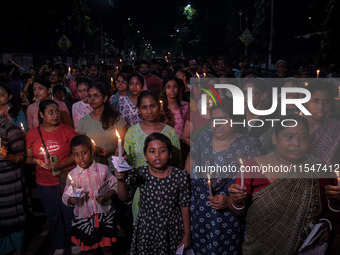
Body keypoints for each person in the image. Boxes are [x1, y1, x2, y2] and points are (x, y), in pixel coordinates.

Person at [229, 114, 332, 255]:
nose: (296, 143)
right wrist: (237, 201)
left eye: (303, 138)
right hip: (258, 248)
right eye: (289, 137)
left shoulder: (318, 169)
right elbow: (239, 211)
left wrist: (327, 224)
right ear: (274, 138)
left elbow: (331, 211)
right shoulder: (253, 166)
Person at [186, 97, 261, 255]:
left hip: (229, 218)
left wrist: (229, 201)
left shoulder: (249, 145)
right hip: (199, 210)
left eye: (223, 119)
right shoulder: (204, 137)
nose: (217, 124)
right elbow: (191, 158)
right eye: (214, 119)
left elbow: (257, 188)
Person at [116, 133, 191, 255]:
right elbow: (124, 197)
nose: (157, 155)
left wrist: (187, 234)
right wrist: (120, 181)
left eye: (162, 151)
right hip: (147, 229)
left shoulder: (180, 176)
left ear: (170, 154)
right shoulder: (140, 173)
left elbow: (184, 205)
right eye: (152, 151)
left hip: (171, 228)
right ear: (145, 156)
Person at [25, 99, 77, 255]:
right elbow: (27, 158)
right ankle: (59, 243)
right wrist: (36, 161)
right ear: (41, 114)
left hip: (66, 179)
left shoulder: (67, 130)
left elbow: (76, 155)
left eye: (56, 112)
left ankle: (74, 241)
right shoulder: (32, 134)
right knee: (53, 214)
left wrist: (61, 165)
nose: (55, 115)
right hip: (45, 182)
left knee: (70, 212)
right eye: (50, 112)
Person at [123, 90, 182, 225]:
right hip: (141, 189)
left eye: (153, 106)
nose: (149, 111)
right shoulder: (132, 132)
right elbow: (129, 163)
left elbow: (177, 164)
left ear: (159, 106)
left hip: (166, 190)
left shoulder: (170, 132)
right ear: (139, 110)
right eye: (144, 107)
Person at [62, 135, 120, 255]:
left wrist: (107, 196)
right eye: (76, 155)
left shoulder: (103, 169)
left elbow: (114, 185)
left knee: (107, 248)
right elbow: (66, 197)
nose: (81, 158)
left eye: (84, 153)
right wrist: (71, 200)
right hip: (84, 218)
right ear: (72, 156)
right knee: (90, 250)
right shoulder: (73, 175)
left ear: (92, 152)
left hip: (104, 215)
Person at [77, 82, 127, 166]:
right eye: (89, 96)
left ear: (105, 98)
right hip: (93, 167)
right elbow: (81, 147)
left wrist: (111, 150)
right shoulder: (83, 122)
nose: (92, 99)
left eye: (96, 96)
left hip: (115, 165)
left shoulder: (116, 119)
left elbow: (125, 143)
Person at [0, 119, 27, 255]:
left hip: (9, 183)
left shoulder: (9, 129)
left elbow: (21, 157)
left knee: (14, 221)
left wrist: (7, 156)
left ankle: (18, 250)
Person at [304, 81, 340, 165]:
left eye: (326, 101)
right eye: (316, 101)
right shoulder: (293, 126)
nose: (321, 107)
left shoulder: (336, 128)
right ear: (305, 102)